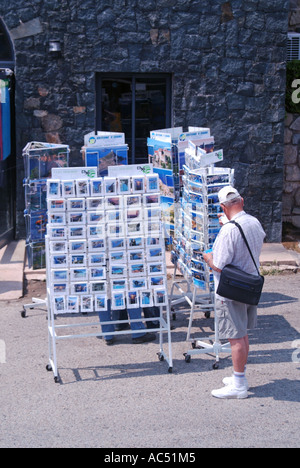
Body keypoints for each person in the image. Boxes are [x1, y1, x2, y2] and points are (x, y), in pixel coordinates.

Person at [203, 186, 265, 399]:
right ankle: (240, 376)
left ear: (222, 207)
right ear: (242, 201)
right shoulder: (253, 222)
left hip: (230, 290)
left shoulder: (229, 230)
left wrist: (207, 257)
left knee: (235, 337)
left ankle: (239, 384)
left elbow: (218, 264)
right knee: (242, 334)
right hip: (249, 285)